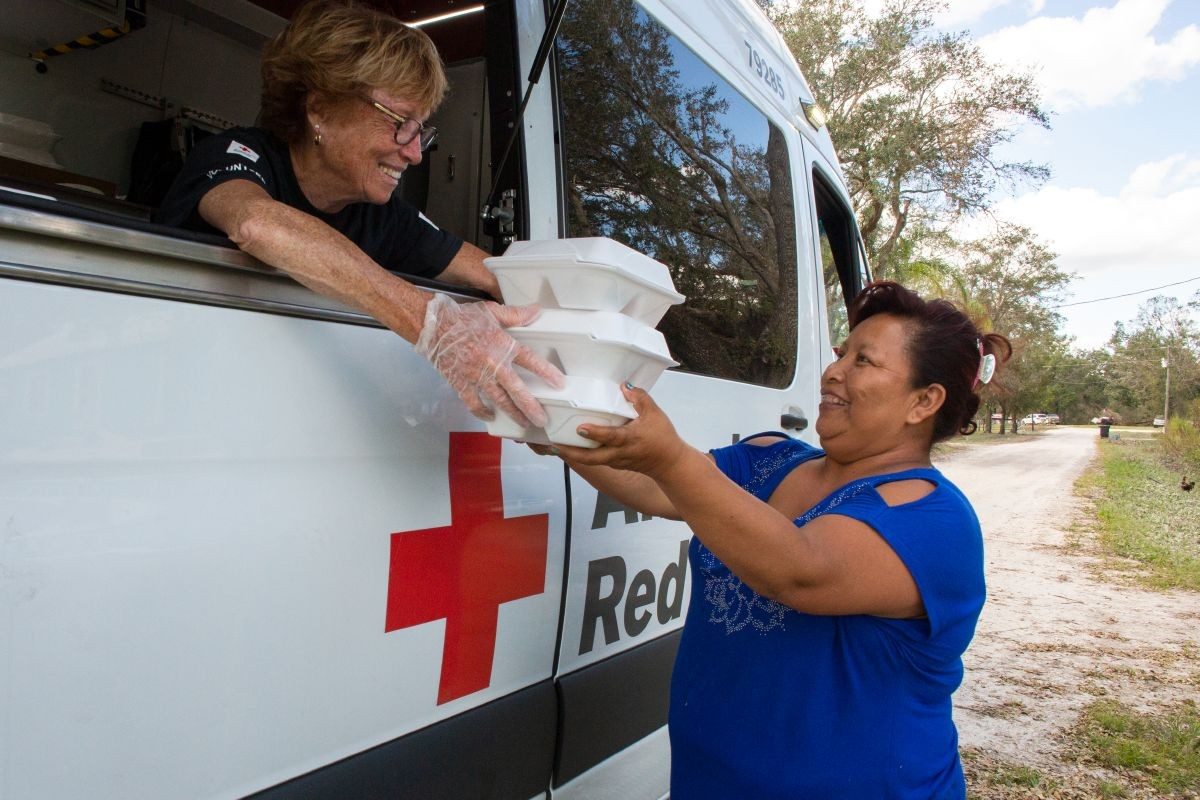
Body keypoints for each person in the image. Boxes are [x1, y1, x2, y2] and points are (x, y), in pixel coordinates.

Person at [536, 281, 1012, 798]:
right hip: (710, 781)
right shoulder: (770, 458)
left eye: (864, 362)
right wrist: (561, 424)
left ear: (923, 402)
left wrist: (669, 456)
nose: (833, 371)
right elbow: (655, 483)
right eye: (841, 353)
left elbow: (799, 572)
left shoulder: (933, 518)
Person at [154, 0, 562, 428]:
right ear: (321, 111)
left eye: (421, 129)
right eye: (400, 122)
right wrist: (433, 324)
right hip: (176, 398)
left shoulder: (379, 213)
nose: (416, 153)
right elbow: (257, 224)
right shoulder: (236, 154)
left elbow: (497, 275)